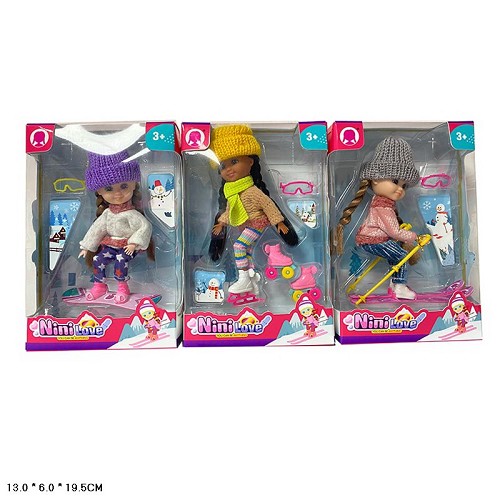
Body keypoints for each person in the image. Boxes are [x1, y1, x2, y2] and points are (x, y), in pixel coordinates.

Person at [209, 124, 298, 295]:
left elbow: (268, 205)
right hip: (247, 224)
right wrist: (221, 223)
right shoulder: (232, 192)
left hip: (257, 223)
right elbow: (229, 210)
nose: (228, 169)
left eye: (234, 162)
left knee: (238, 246)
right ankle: (253, 278)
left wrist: (279, 222)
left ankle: (243, 279)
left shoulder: (252, 191)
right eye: (223, 166)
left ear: (250, 161)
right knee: (247, 249)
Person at [335, 136, 426, 300]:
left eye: (404, 185)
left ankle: (394, 285)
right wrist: (414, 237)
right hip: (373, 241)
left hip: (373, 240)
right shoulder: (383, 207)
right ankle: (400, 287)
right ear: (376, 178)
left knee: (395, 254)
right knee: (401, 255)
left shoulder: (384, 204)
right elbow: (394, 231)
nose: (400, 189)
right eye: (395, 181)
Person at [79, 150, 152, 303]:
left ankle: (123, 287)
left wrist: (133, 243)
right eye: (109, 189)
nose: (117, 194)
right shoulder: (107, 213)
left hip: (127, 247)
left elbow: (144, 227)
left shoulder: (132, 214)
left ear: (134, 184)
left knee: (121, 260)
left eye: (124, 186)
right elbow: (96, 229)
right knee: (98, 259)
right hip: (111, 246)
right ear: (99, 191)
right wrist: (86, 246)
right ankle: (99, 285)